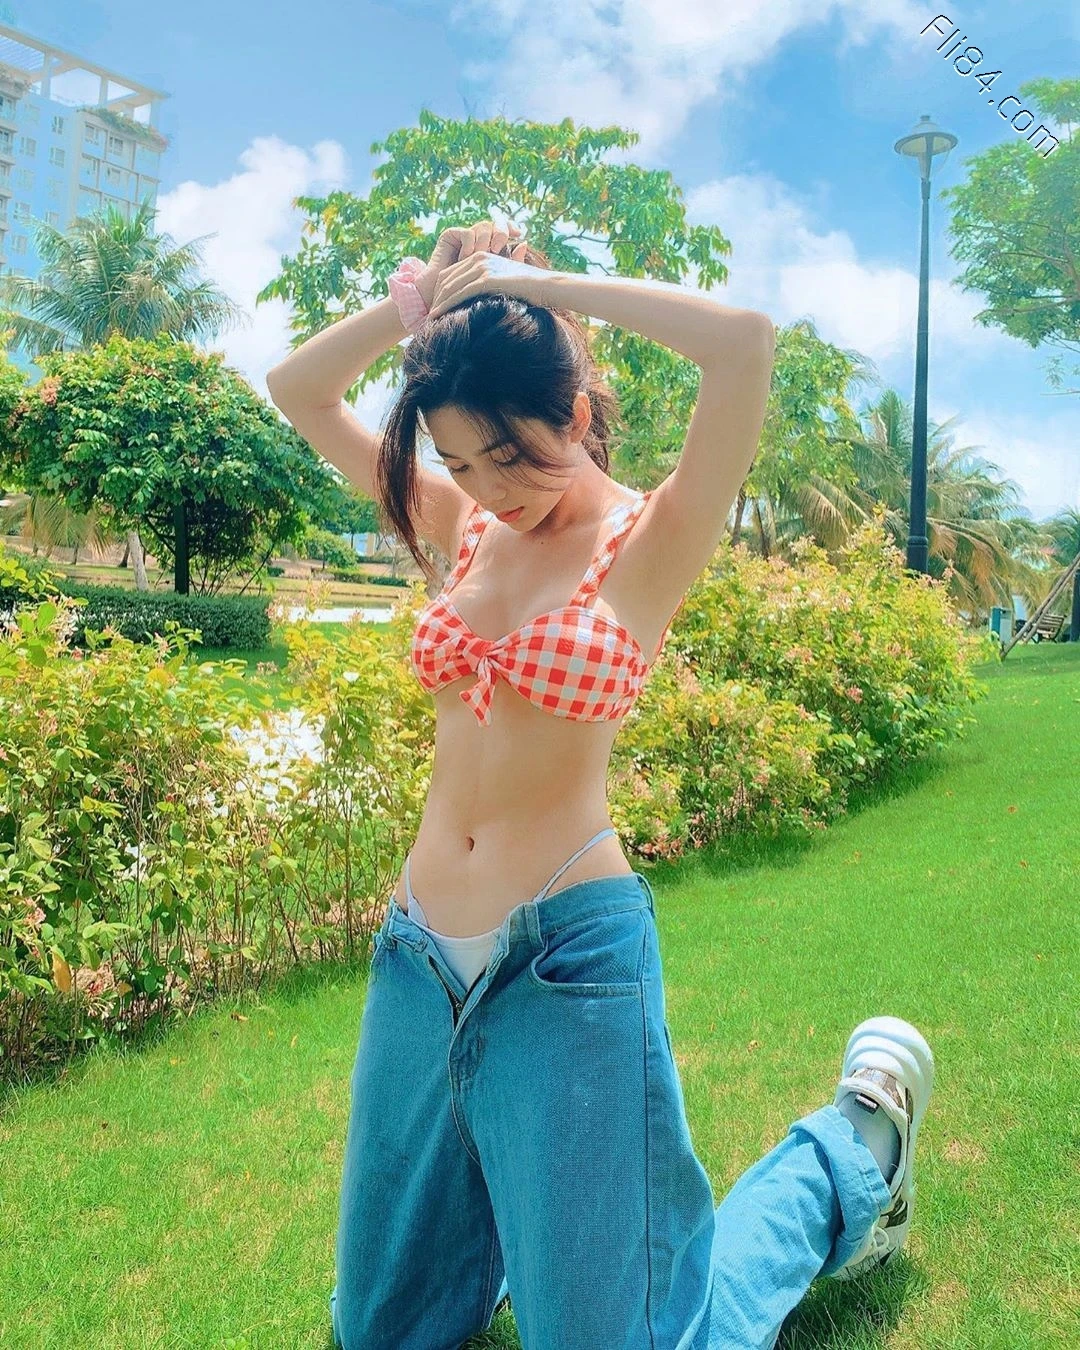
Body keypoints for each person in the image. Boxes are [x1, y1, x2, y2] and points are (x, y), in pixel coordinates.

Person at [266, 219, 936, 1350]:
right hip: (419, 953)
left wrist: (536, 283)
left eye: (510, 456)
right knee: (378, 1330)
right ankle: (526, 1227)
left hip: (566, 959)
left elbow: (743, 343)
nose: (490, 488)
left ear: (576, 413)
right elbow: (297, 389)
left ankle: (856, 1145)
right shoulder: (464, 526)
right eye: (461, 462)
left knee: (644, 1335)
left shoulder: (650, 537)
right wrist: (422, 305)